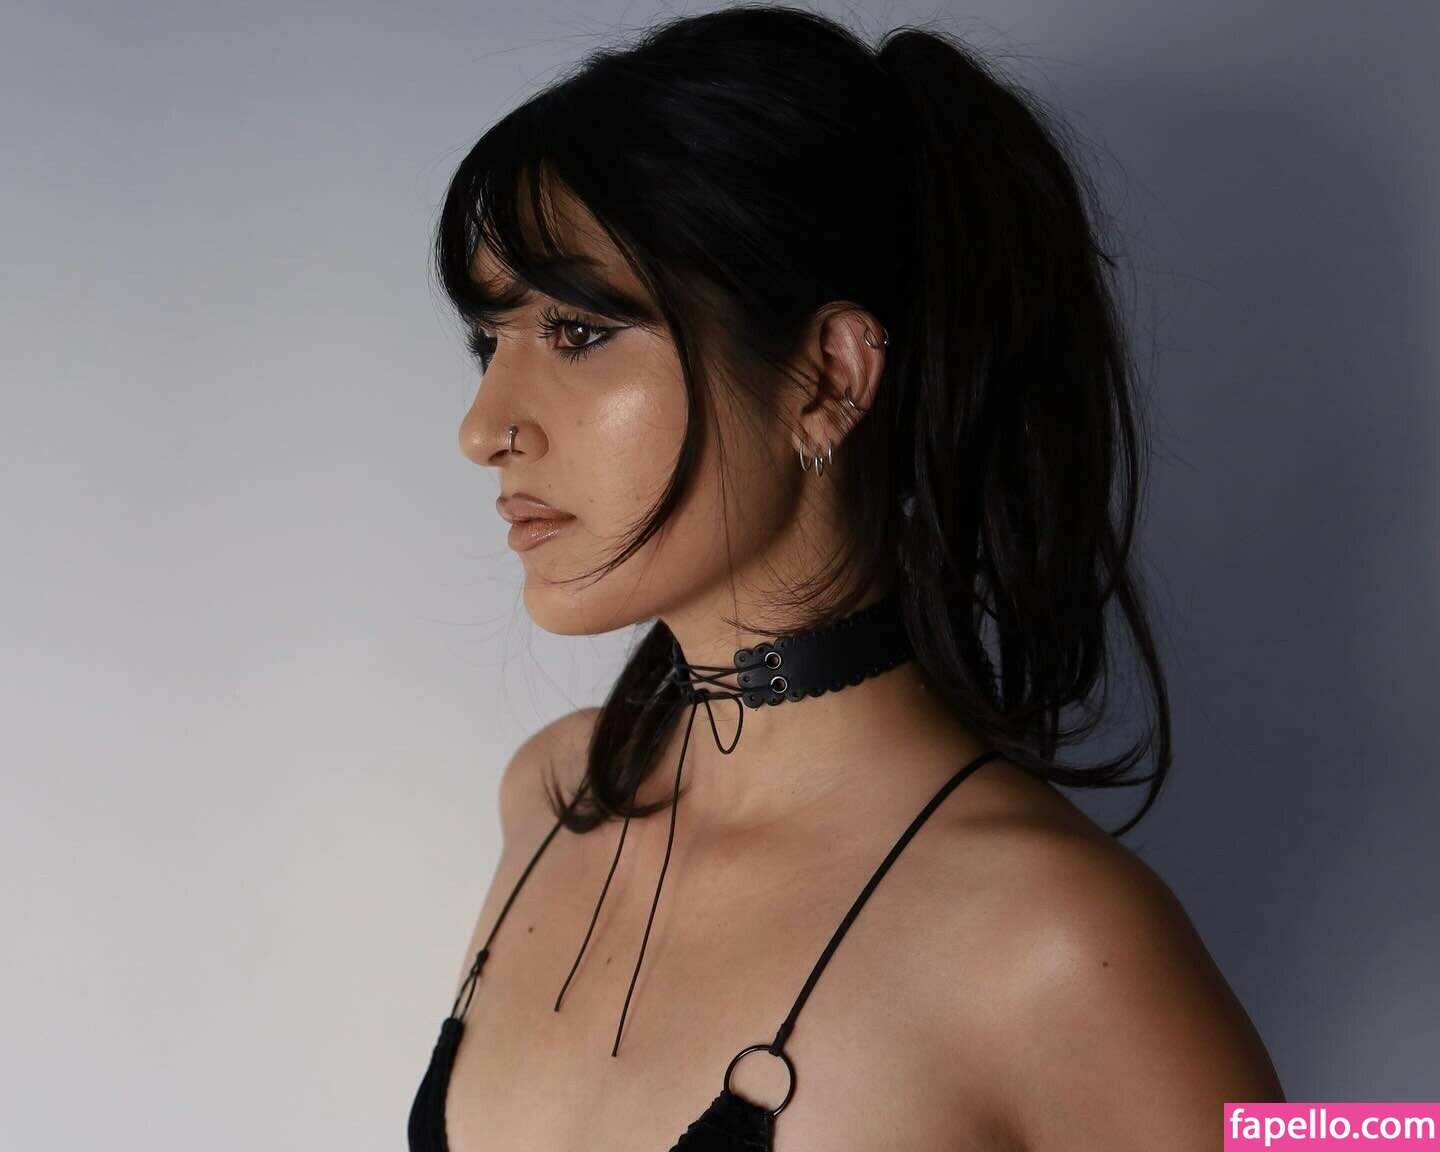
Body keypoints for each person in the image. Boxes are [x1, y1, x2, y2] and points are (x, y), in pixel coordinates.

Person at [409, 6, 1284, 1150]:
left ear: (826, 378)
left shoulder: (1050, 936)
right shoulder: (548, 795)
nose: (484, 428)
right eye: (491, 342)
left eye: (577, 332)